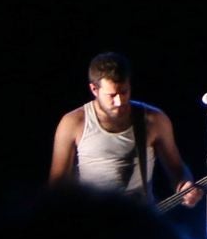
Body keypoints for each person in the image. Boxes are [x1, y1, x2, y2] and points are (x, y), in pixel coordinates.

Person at [48, 52, 199, 207]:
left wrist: (185, 186)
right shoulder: (73, 123)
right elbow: (58, 185)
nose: (119, 101)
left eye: (124, 92)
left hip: (139, 220)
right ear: (94, 89)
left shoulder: (154, 119)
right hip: (91, 221)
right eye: (111, 95)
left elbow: (176, 168)